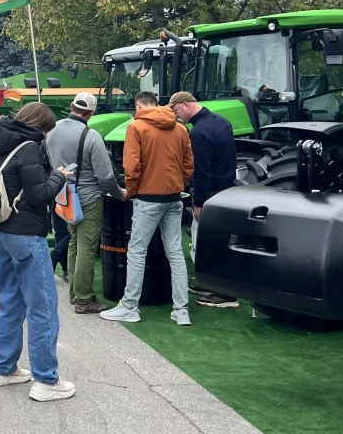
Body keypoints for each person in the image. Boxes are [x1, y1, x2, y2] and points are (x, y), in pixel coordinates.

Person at [0, 102, 75, 402]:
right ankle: (46, 379)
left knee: (10, 301)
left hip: (2, 230)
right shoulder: (28, 148)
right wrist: (59, 175)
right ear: (41, 126)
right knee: (43, 306)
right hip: (26, 234)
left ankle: (3, 367)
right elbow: (41, 195)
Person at [100, 91, 194, 326]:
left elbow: (132, 165)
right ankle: (181, 310)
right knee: (175, 252)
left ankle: (130, 306)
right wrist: (178, 183)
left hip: (147, 198)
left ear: (138, 105)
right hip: (174, 196)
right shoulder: (180, 127)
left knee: (137, 252)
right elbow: (188, 162)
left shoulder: (137, 126)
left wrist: (132, 191)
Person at [46, 92, 127, 314]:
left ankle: (75, 293)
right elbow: (105, 177)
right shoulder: (91, 136)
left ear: (71, 106)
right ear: (92, 112)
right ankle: (84, 299)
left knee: (74, 242)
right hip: (89, 198)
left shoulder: (52, 130)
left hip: (64, 195)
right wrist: (120, 193)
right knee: (86, 248)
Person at [168, 91, 239, 308]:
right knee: (218, 241)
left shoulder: (199, 133)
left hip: (210, 194)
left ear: (186, 104)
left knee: (208, 243)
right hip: (226, 190)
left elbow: (201, 171)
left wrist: (198, 202)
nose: (176, 116)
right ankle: (209, 283)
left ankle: (224, 294)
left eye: (176, 110)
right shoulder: (222, 122)